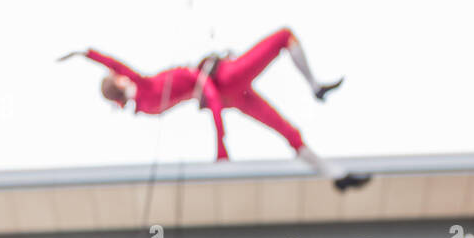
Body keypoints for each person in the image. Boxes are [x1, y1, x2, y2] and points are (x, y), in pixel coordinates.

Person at [60, 27, 371, 191]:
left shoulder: (147, 104)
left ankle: (336, 176)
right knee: (283, 37)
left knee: (287, 131)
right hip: (225, 79)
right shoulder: (144, 90)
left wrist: (220, 139)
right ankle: (315, 86)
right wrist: (86, 54)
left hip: (228, 96)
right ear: (120, 84)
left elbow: (198, 91)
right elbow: (118, 65)